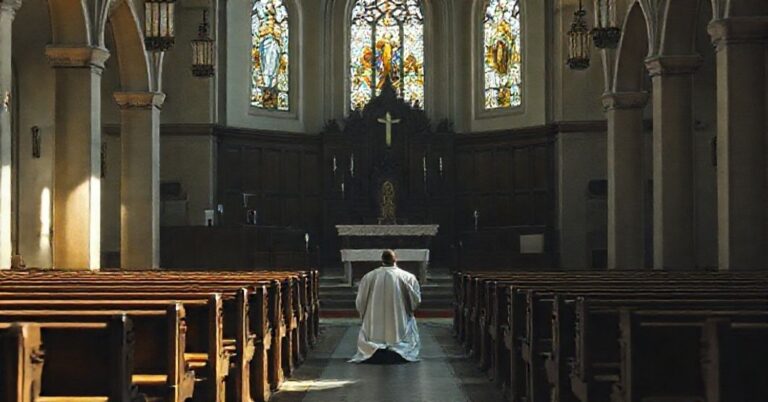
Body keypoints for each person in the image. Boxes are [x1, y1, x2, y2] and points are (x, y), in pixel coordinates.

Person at [349, 250, 422, 364]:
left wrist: (363, 314)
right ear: (395, 259)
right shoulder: (407, 277)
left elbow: (361, 300)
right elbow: (415, 301)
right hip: (399, 321)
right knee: (407, 324)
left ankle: (374, 348)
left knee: (372, 329)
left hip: (374, 322)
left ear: (382, 260)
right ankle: (398, 348)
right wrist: (409, 310)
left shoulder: (369, 276)